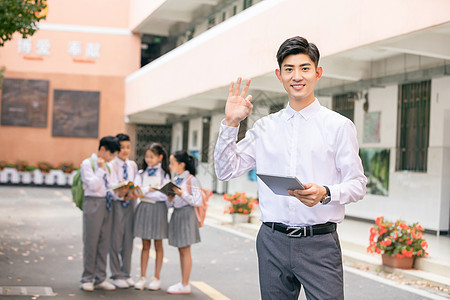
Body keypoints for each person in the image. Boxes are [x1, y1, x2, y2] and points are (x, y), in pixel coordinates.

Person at [214, 36, 367, 300]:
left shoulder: (338, 126)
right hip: (272, 241)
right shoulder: (265, 128)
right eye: (289, 69)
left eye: (305, 68)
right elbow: (226, 171)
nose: (297, 76)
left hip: (320, 244)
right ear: (279, 75)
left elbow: (357, 184)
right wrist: (230, 124)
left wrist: (326, 192)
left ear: (317, 73)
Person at [80, 136, 121, 292]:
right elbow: (94, 185)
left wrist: (121, 190)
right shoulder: (87, 163)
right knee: (91, 241)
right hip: (93, 203)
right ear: (103, 149)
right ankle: (87, 278)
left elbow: (109, 186)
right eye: (111, 155)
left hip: (107, 203)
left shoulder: (108, 166)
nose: (112, 159)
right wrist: (100, 169)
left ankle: (100, 278)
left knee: (104, 242)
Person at [133, 143, 171, 291]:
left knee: (158, 244)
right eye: (147, 156)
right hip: (144, 208)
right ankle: (142, 277)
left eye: (152, 156)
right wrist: (147, 190)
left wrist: (146, 191)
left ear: (160, 157)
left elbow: (165, 195)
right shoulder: (141, 173)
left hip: (159, 210)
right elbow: (136, 191)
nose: (148, 159)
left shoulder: (164, 174)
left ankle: (156, 277)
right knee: (145, 245)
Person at [166, 150, 202, 294]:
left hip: (187, 215)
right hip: (178, 215)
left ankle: (185, 283)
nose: (170, 166)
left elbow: (197, 201)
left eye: (172, 163)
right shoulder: (175, 180)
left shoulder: (191, 179)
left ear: (181, 165)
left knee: (185, 249)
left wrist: (182, 194)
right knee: (181, 249)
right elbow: (171, 204)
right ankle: (183, 282)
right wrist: (170, 199)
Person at [108, 133, 138, 288]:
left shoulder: (132, 165)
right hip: (117, 204)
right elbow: (111, 188)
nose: (125, 151)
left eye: (128, 147)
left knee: (128, 240)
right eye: (122, 147)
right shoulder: (112, 165)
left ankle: (126, 273)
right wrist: (120, 190)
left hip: (131, 204)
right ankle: (116, 274)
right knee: (116, 239)